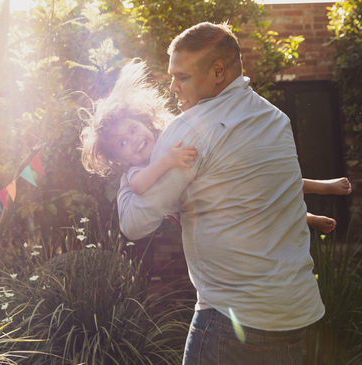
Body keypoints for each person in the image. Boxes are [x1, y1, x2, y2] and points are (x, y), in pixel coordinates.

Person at [112, 22, 325, 365]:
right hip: (293, 315)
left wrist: (127, 177)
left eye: (182, 77)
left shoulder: (189, 132)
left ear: (218, 72)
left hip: (232, 321)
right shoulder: (276, 120)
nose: (173, 87)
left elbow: (134, 224)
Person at [81, 60, 350, 236]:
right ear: (119, 158)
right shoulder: (135, 171)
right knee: (254, 205)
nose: (133, 139)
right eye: (122, 144)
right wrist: (168, 161)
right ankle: (306, 218)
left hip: (214, 184)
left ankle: (318, 187)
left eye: (132, 129)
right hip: (203, 204)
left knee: (261, 183)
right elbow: (140, 186)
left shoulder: (169, 135)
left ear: (145, 122)